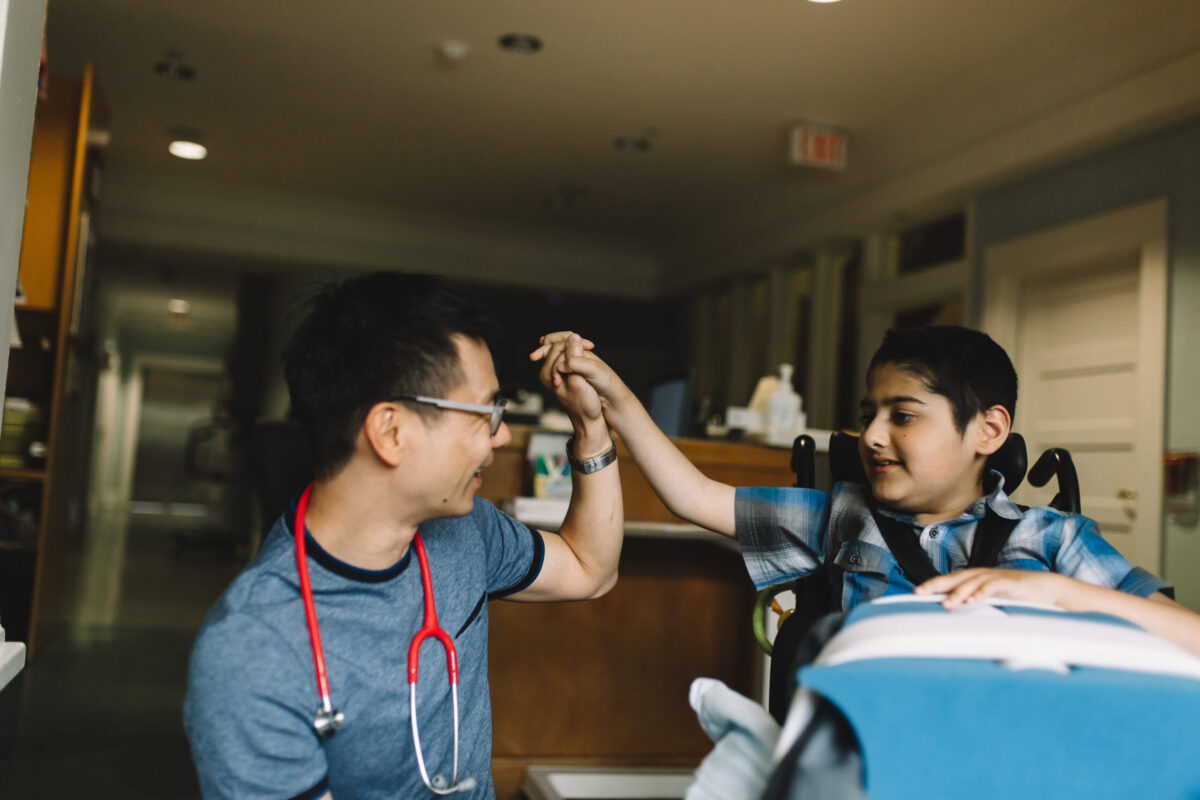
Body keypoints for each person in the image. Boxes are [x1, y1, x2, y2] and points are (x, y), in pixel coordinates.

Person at [185, 274, 623, 800]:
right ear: (390, 431)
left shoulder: (465, 529)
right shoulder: (253, 652)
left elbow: (589, 568)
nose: (501, 435)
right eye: (487, 413)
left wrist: (591, 426)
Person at [532, 326, 1200, 657]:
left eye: (902, 415)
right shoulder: (843, 518)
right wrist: (611, 400)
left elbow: (1188, 638)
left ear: (988, 430)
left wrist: (1059, 592)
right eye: (869, 412)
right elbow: (692, 495)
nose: (871, 436)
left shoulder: (1050, 539)